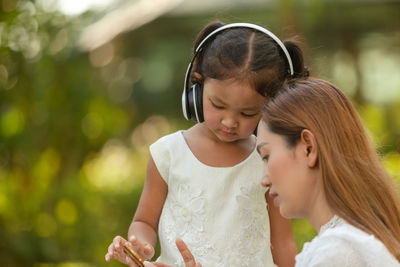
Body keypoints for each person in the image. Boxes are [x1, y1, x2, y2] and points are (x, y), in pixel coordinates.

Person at [105, 20, 308, 267]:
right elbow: (145, 221)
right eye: (218, 105)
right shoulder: (168, 154)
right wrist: (141, 245)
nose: (230, 122)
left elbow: (283, 242)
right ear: (197, 88)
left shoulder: (266, 160)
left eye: (247, 113)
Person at [145, 78, 400, 267]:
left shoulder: (337, 254)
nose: (264, 179)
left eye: (266, 156)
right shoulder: (356, 242)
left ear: (308, 148)